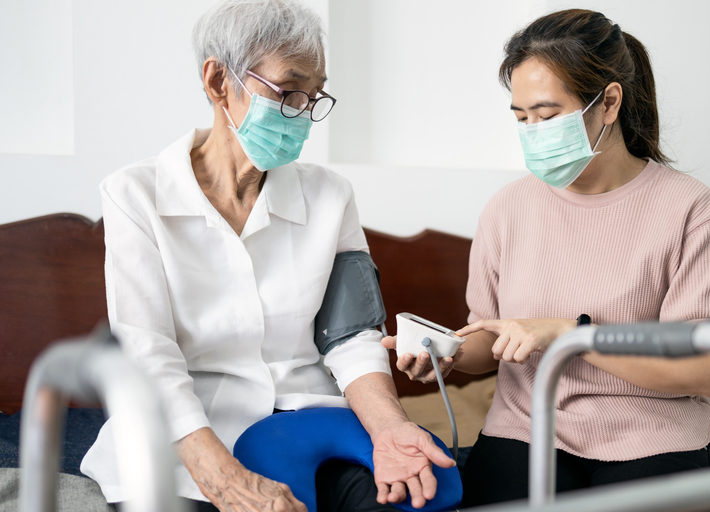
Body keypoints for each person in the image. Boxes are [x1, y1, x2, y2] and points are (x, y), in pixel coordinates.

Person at [80, 1, 454, 510]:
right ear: (217, 82)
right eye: (289, 89)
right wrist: (225, 482)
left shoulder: (330, 195)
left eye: (314, 95)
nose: (303, 112)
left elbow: (352, 338)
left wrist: (390, 427)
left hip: (309, 418)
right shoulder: (134, 194)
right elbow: (147, 354)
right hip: (189, 435)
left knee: (403, 497)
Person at [383, 8, 710, 507]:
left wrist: (571, 336)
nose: (533, 131)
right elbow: (494, 338)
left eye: (548, 116)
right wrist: (449, 356)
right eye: (522, 118)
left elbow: (709, 371)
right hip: (526, 432)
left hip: (650, 435)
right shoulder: (508, 208)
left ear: (609, 102)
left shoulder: (688, 208)